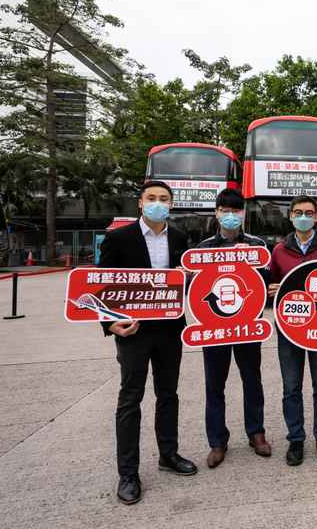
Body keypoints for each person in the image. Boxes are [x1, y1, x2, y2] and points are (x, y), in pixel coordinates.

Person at [98, 181, 197, 505]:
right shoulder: (118, 239)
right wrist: (110, 323)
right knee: (130, 400)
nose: (158, 203)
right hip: (134, 333)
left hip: (170, 330)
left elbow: (188, 282)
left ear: (172, 204)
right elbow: (101, 286)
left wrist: (190, 277)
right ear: (140, 203)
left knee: (168, 395)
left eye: (164, 199)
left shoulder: (180, 237)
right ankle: (128, 473)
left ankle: (168, 455)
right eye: (152, 198)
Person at [195, 188, 271, 469]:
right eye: (224, 211)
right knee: (214, 384)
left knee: (252, 379)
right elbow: (195, 289)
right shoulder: (203, 248)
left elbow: (265, 284)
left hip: (248, 326)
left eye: (235, 211)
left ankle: (256, 433)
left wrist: (250, 263)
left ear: (243, 214)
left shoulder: (256, 244)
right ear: (216, 213)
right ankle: (217, 441)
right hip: (215, 328)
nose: (230, 216)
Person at [267, 195, 317, 466]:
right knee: (291, 387)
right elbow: (271, 286)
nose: (303, 216)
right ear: (290, 216)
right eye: (298, 212)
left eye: (308, 212)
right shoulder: (279, 250)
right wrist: (272, 289)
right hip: (289, 329)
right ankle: (296, 439)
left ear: (316, 217)